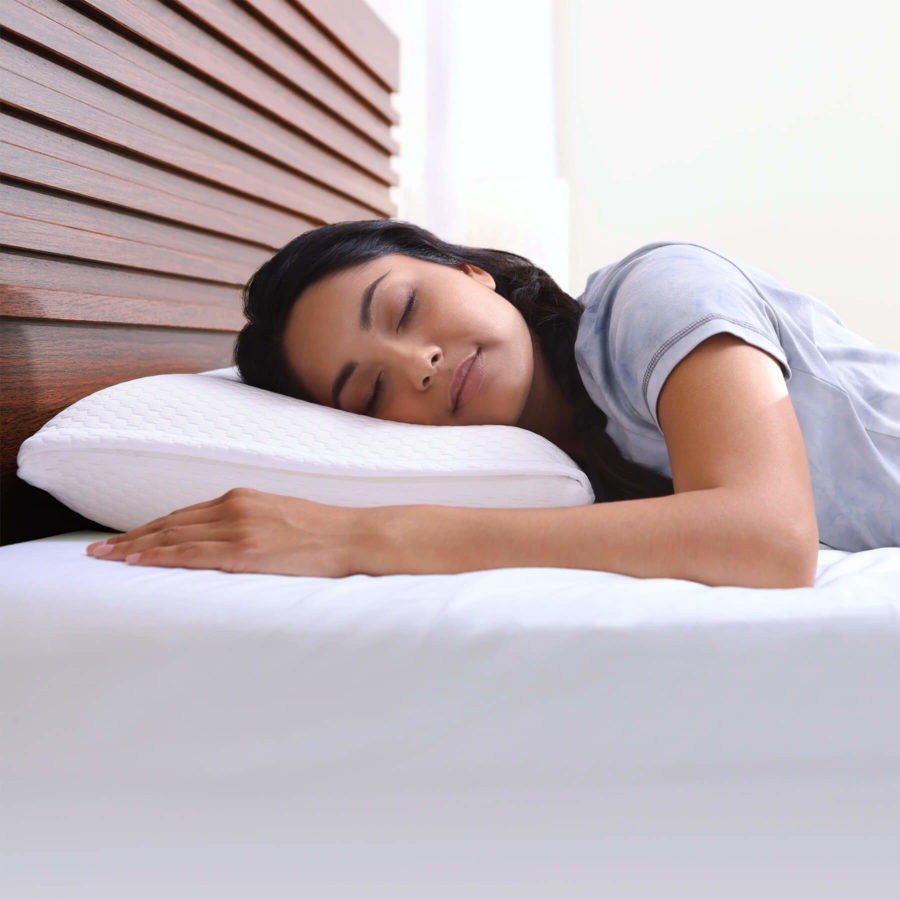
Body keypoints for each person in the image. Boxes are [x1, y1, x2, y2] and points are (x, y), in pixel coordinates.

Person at [86, 220, 900, 586]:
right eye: (371, 391)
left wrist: (357, 536)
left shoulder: (657, 292)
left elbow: (768, 537)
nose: (420, 363)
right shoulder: (558, 469)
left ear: (468, 269)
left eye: (403, 308)